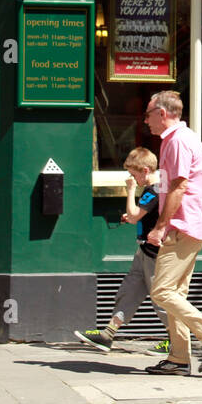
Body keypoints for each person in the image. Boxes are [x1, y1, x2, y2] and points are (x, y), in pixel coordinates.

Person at [143, 91, 202, 376]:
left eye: (148, 114)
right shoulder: (178, 139)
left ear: (162, 113)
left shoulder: (178, 141)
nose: (146, 121)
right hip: (188, 226)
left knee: (162, 291)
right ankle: (179, 359)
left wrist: (160, 226)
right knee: (176, 294)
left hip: (181, 227)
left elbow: (178, 187)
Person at [74, 147, 170, 351]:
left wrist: (130, 190)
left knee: (161, 298)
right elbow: (142, 215)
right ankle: (108, 333)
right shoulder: (158, 187)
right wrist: (135, 216)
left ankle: (176, 341)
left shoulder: (152, 190)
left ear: (145, 171)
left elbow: (134, 215)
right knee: (129, 290)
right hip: (143, 250)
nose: (131, 178)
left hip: (154, 255)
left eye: (133, 174)